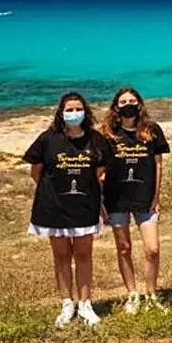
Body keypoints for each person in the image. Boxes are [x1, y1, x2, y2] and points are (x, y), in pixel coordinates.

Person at [25, 92, 110, 327]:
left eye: (78, 109)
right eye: (69, 110)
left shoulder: (96, 139)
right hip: (54, 209)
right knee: (61, 257)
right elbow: (36, 172)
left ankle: (85, 304)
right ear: (61, 113)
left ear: (86, 112)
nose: (74, 113)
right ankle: (66, 303)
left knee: (84, 255)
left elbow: (99, 172)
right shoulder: (48, 139)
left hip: (84, 207)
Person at [100, 87, 170, 313]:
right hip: (116, 199)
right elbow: (99, 170)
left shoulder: (151, 130)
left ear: (139, 104)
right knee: (124, 248)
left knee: (153, 249)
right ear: (116, 107)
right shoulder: (107, 133)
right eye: (123, 102)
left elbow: (158, 165)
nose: (127, 105)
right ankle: (132, 293)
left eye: (132, 101)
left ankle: (151, 294)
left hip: (145, 198)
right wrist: (101, 202)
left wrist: (156, 197)